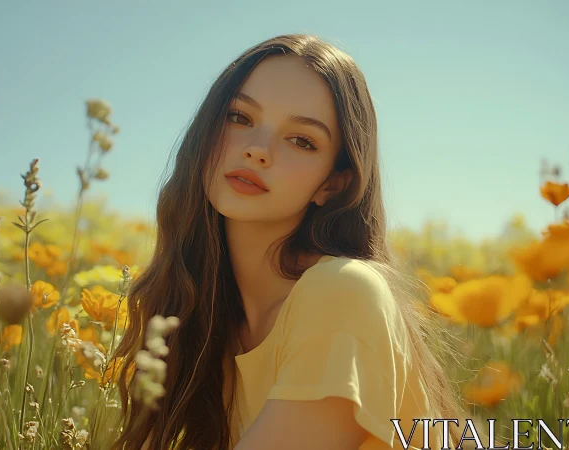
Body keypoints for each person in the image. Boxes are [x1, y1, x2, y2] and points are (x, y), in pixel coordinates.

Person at [113, 34, 485, 450]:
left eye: (301, 140)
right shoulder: (202, 325)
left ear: (332, 183)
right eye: (240, 117)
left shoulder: (343, 291)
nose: (257, 150)